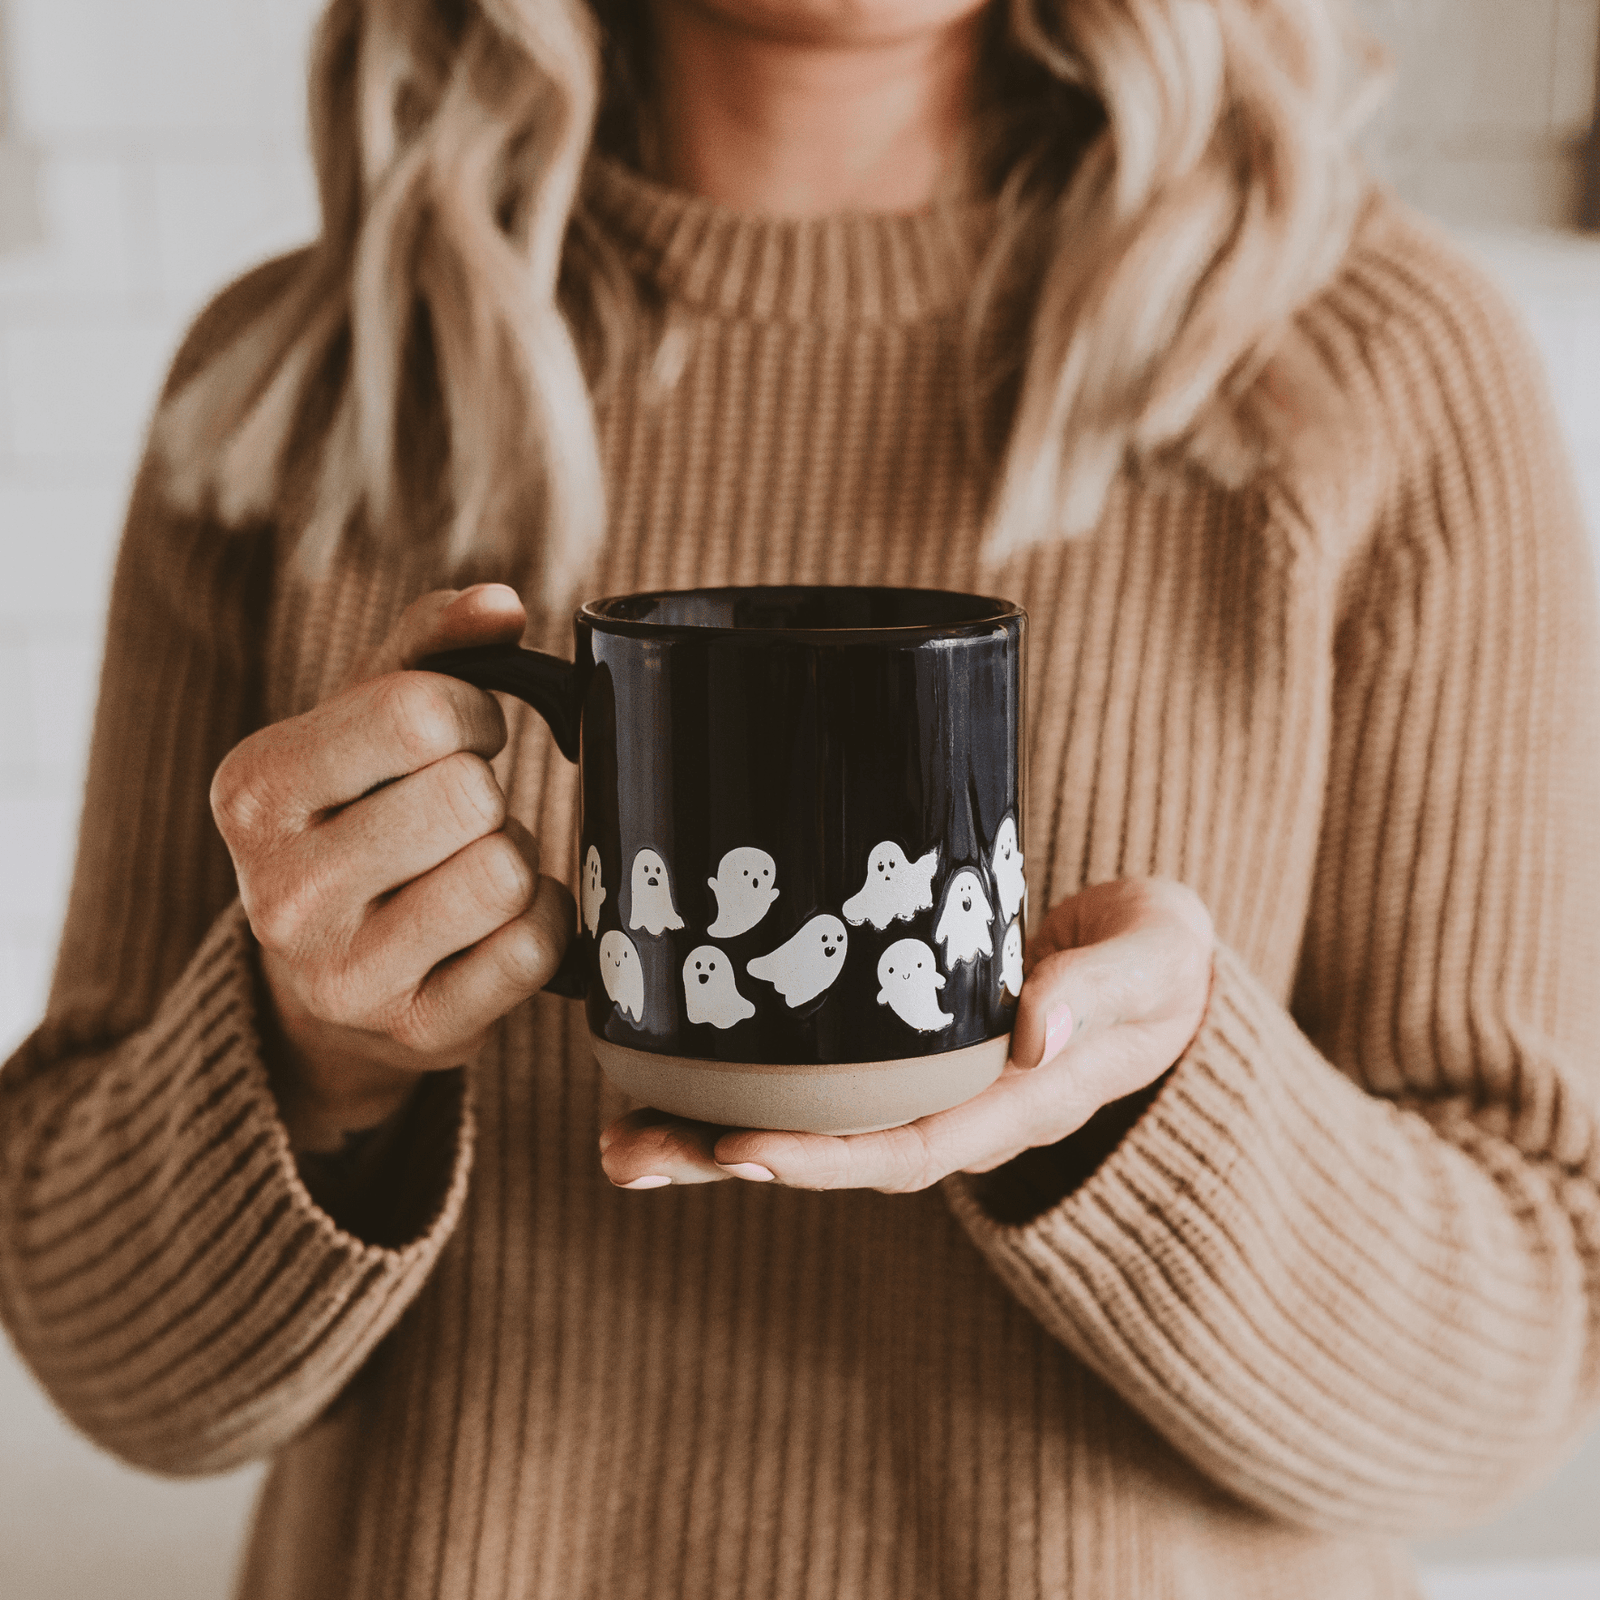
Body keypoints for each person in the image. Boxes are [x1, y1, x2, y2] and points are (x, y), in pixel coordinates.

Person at [2, 0, 1597, 1594]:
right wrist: (312, 1063)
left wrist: (1142, 1109)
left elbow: (1519, 1372)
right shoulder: (297, 388)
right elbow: (109, 1364)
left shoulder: (1386, 371)